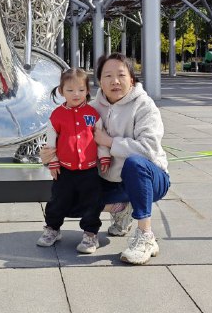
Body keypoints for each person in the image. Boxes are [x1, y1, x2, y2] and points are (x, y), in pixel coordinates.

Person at [44, 53, 170, 265]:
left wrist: (110, 142)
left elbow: (148, 151)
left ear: (132, 78)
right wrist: (49, 155)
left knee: (135, 164)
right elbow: (69, 141)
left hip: (149, 178)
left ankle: (146, 236)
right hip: (111, 181)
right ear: (99, 81)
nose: (115, 81)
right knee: (68, 198)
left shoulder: (145, 106)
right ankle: (122, 208)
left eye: (121, 75)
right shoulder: (91, 109)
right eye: (108, 75)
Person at [38, 68, 111, 254]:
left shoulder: (92, 114)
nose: (76, 94)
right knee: (57, 200)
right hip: (64, 170)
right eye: (70, 90)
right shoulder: (56, 115)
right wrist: (53, 162)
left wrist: (104, 156)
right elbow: (51, 142)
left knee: (93, 201)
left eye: (80, 89)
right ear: (61, 91)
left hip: (89, 170)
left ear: (87, 90)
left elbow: (99, 137)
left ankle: (90, 234)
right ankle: (52, 229)